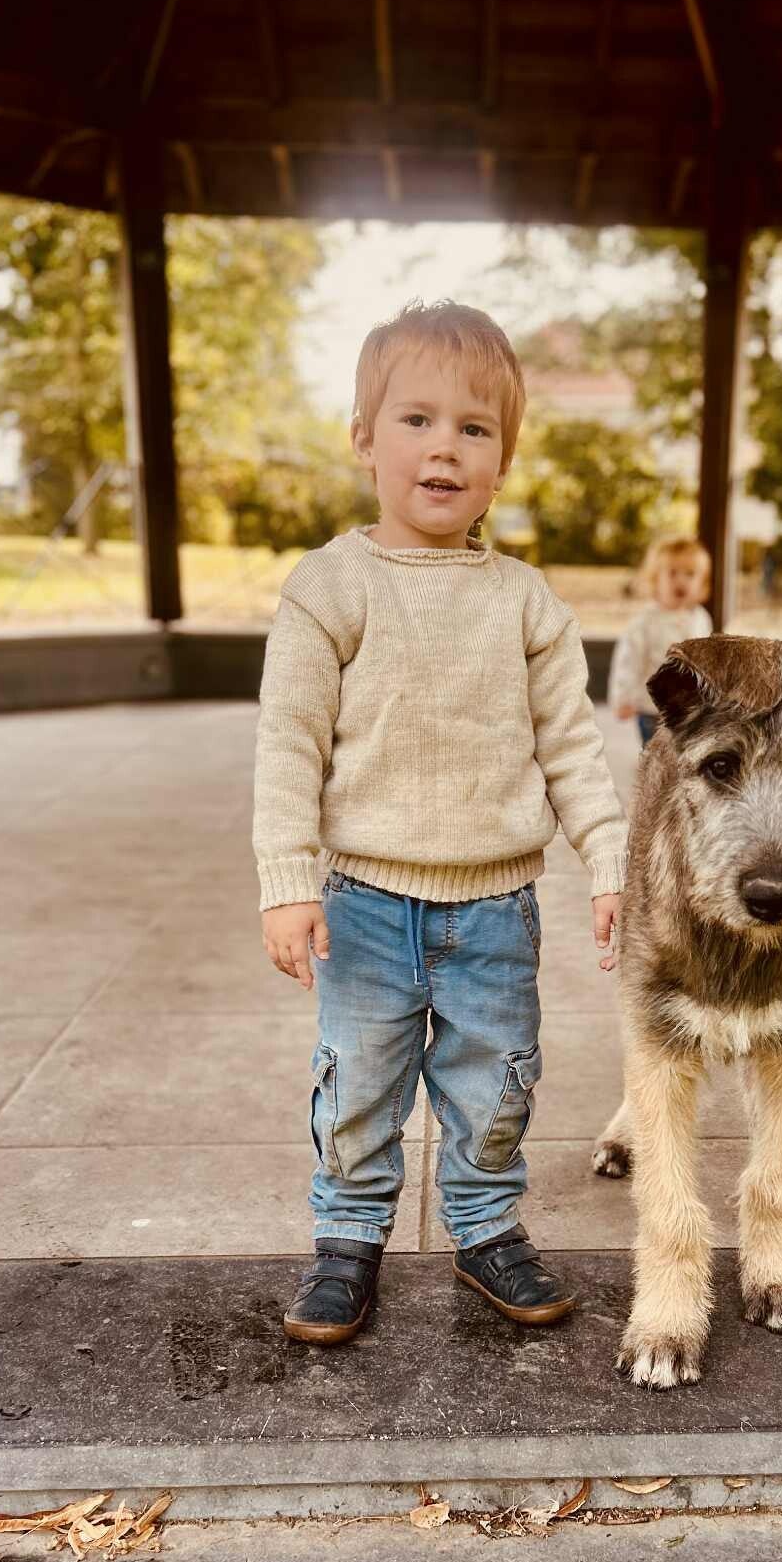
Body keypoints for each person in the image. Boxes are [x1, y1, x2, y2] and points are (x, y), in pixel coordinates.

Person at [254, 299, 628, 1347]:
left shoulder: (526, 603)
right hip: (364, 906)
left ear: (503, 461)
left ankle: (485, 1226)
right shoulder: (329, 586)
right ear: (364, 438)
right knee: (358, 1080)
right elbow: (290, 744)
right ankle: (346, 1239)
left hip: (495, 910)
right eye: (415, 420)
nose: (444, 448)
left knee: (494, 1081)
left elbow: (572, 748)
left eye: (474, 428)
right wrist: (286, 879)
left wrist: (609, 860)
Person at [610, 536, 714, 746]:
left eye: (690, 574)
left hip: (690, 708)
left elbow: (708, 661)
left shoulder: (701, 618)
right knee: (657, 752)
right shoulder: (645, 622)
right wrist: (624, 697)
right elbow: (629, 661)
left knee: (686, 753)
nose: (681, 581)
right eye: (672, 573)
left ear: (702, 584)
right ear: (655, 581)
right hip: (653, 708)